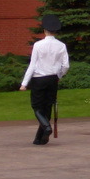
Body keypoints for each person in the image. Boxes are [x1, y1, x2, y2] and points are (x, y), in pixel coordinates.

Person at [19, 14, 69, 145]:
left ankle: (46, 127)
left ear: (44, 30)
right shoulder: (61, 45)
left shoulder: (38, 45)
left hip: (39, 79)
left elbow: (32, 64)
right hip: (53, 78)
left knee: (36, 106)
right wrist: (59, 75)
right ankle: (40, 138)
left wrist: (24, 83)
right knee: (47, 107)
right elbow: (66, 65)